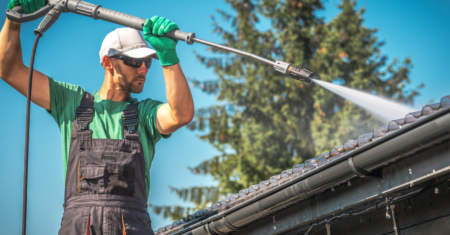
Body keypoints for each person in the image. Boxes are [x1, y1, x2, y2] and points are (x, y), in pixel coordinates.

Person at [0, 0, 194, 234]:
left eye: (148, 61)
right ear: (107, 62)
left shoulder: (145, 114)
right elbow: (8, 69)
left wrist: (168, 56)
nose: (143, 68)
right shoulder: (70, 102)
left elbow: (180, 114)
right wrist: (14, 18)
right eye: (134, 61)